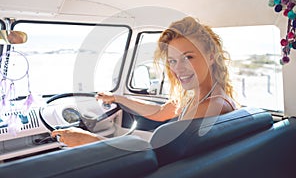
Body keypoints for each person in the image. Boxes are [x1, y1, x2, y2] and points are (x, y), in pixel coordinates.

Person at [51, 16, 238, 147]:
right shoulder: (201, 97)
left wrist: (89, 141)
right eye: (172, 60)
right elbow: (160, 112)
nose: (178, 69)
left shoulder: (207, 107)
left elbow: (157, 158)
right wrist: (117, 98)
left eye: (188, 57)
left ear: (211, 57)